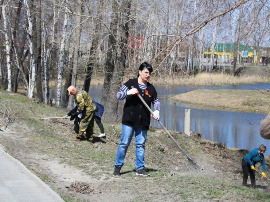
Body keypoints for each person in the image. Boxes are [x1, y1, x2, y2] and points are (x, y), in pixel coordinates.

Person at [113, 62, 160, 176]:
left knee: (140, 144)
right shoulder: (131, 83)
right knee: (124, 143)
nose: (148, 75)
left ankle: (140, 168)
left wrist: (157, 111)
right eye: (146, 72)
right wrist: (128, 92)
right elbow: (118, 95)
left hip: (143, 121)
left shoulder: (151, 88)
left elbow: (156, 101)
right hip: (129, 120)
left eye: (149, 73)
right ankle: (117, 167)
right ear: (139, 72)